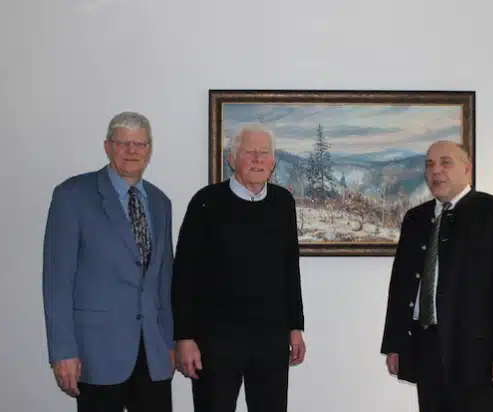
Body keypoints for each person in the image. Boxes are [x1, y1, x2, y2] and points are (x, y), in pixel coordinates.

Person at [380, 140, 493, 412]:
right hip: (425, 345)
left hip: (478, 354)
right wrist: (395, 344)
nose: (436, 171)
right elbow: (401, 286)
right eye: (429, 164)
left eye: (445, 162)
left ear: (467, 169)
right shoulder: (415, 218)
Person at [42, 112, 175, 412]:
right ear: (107, 146)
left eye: (139, 144)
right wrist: (63, 351)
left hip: (152, 353)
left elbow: (164, 280)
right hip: (97, 352)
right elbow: (57, 282)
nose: (132, 151)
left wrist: (169, 342)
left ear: (149, 149)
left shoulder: (159, 202)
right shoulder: (73, 196)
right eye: (123, 143)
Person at [172, 124, 306, 412]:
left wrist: (296, 326)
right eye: (249, 152)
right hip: (215, 341)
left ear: (274, 162)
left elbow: (290, 268)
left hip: (270, 340)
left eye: (264, 153)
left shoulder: (283, 203)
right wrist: (184, 337)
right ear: (232, 159)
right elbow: (183, 274)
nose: (257, 159)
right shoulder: (206, 201)